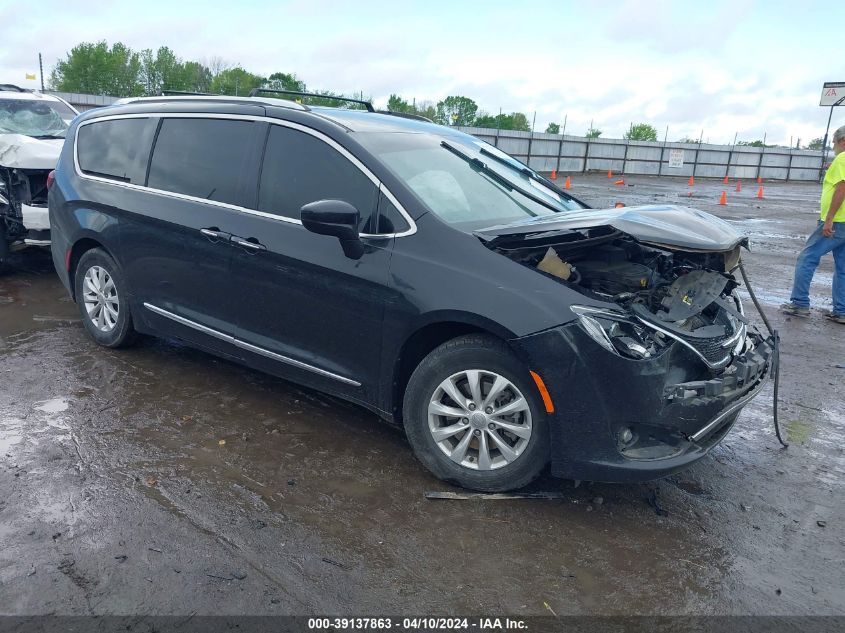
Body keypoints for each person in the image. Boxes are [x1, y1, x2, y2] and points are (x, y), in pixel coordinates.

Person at [781, 125, 845, 323]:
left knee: (807, 258)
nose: (833, 147)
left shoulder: (843, 158)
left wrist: (829, 219)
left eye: (834, 143)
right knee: (843, 267)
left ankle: (800, 304)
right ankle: (841, 311)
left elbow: (842, 188)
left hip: (838, 221)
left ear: (842, 141)